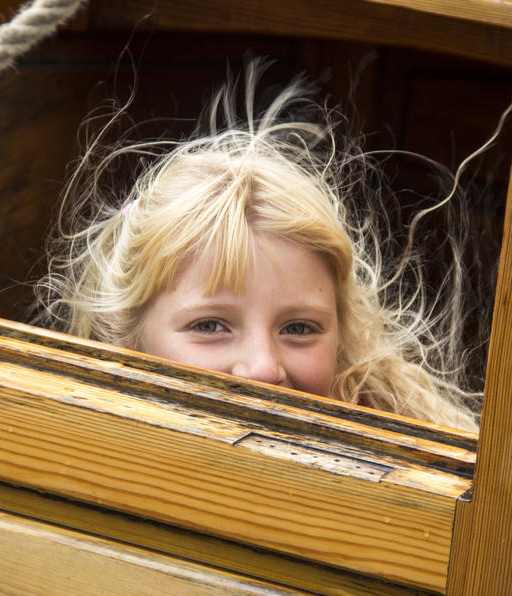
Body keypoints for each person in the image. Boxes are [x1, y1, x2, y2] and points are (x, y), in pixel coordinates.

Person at [36, 65, 481, 431]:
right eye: (210, 325)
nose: (265, 369)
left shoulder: (402, 448)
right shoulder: (73, 443)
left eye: (300, 328)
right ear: (127, 338)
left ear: (342, 335)